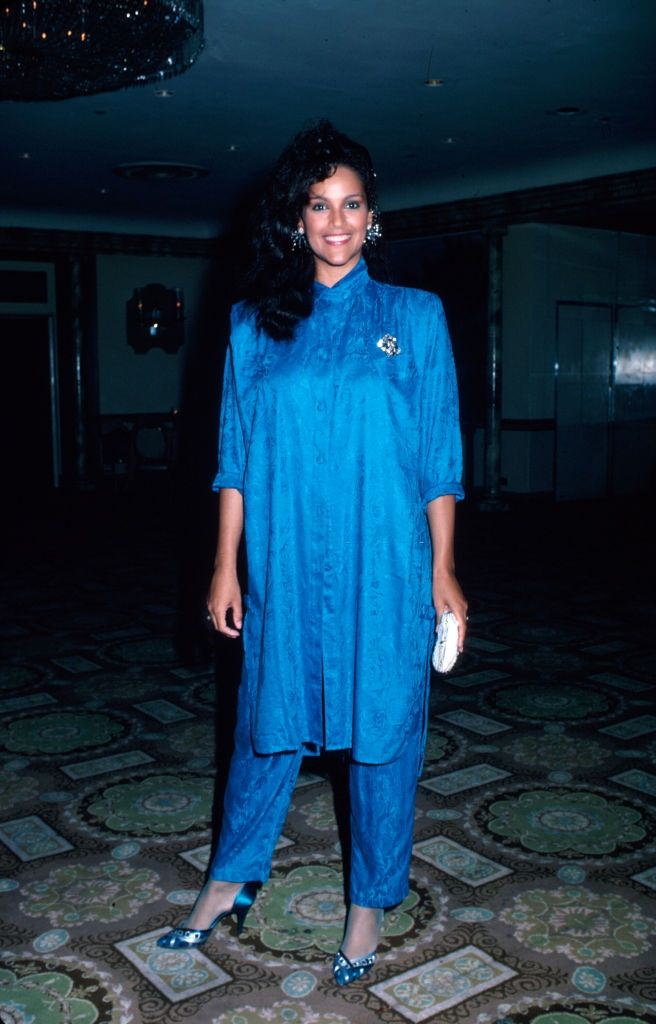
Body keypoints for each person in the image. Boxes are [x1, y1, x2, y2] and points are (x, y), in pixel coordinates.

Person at [158, 120, 468, 986]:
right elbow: (235, 455)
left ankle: (368, 900)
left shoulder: (413, 316)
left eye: (352, 203)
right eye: (318, 204)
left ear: (374, 217)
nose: (336, 221)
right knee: (265, 719)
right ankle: (229, 879)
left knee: (382, 730)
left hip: (385, 559)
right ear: (296, 219)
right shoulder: (255, 323)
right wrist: (224, 564)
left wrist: (443, 571)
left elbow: (438, 457)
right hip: (284, 558)